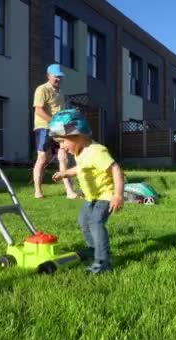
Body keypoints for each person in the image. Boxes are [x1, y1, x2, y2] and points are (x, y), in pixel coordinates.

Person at [50, 109, 124, 273]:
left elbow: (116, 170)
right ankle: (93, 249)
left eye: (63, 142)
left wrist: (118, 195)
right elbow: (81, 168)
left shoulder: (97, 151)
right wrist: (65, 173)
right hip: (92, 197)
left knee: (95, 222)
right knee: (83, 221)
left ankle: (103, 261)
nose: (61, 147)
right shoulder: (80, 151)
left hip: (106, 195)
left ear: (78, 135)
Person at [32, 64, 77, 199]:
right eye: (56, 76)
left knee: (64, 157)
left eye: (60, 77)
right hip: (44, 127)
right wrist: (53, 123)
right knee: (42, 159)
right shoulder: (42, 89)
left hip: (59, 129)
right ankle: (38, 191)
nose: (58, 79)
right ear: (48, 76)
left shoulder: (60, 93)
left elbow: (61, 113)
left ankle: (69, 192)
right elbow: (38, 110)